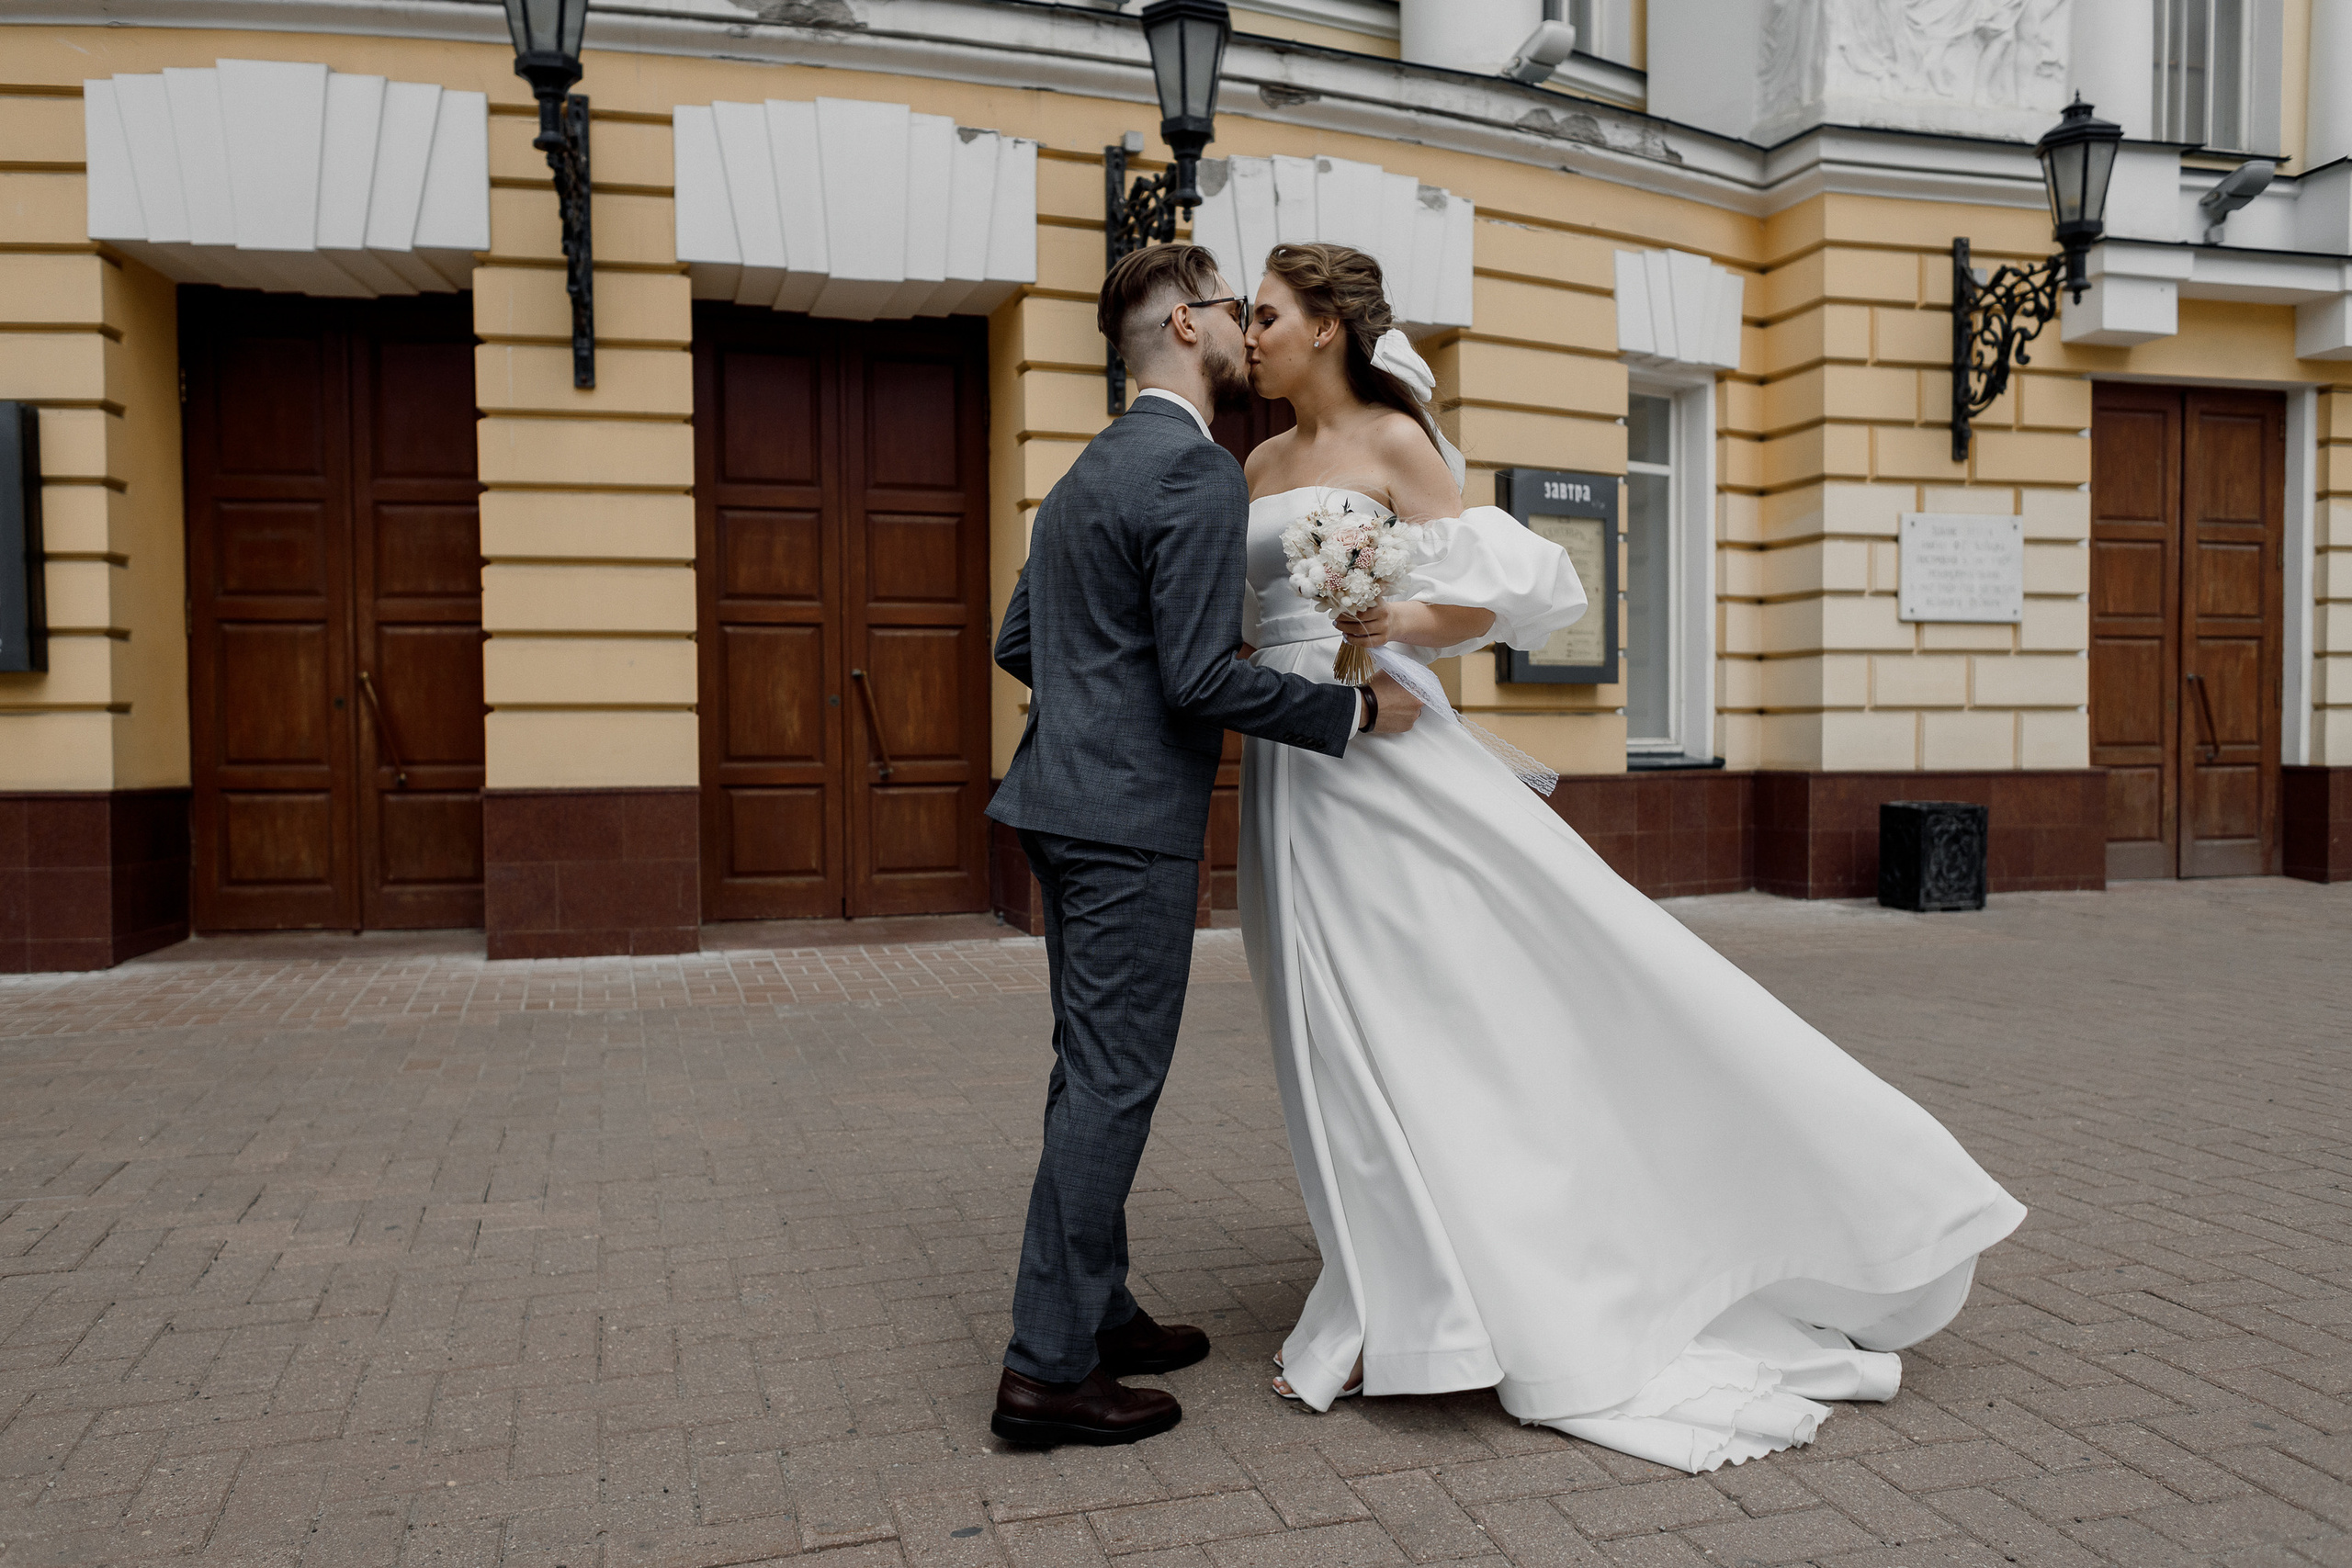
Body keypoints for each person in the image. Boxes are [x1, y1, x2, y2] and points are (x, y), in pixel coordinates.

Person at [1234, 242, 2027, 1473]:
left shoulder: (1395, 447)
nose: (1248, 330)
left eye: (1267, 312)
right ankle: (1389, 1286)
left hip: (1382, 751)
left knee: (1423, 1011)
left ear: (1328, 327)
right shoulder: (1258, 463)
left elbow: (1489, 599)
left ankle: (1478, 1286)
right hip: (1289, 764)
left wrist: (1393, 623)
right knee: (1320, 1023)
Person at [985, 243, 1427, 1449]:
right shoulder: (1193, 471)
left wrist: (1098, 702)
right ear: (1187, 326)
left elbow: (1025, 637)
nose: (1243, 325)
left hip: (1056, 805)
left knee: (1089, 1071)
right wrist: (1350, 709)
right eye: (1231, 306)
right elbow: (1194, 678)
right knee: (1112, 1084)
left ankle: (1099, 1308)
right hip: (1126, 828)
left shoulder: (1087, 472)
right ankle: (1047, 1372)